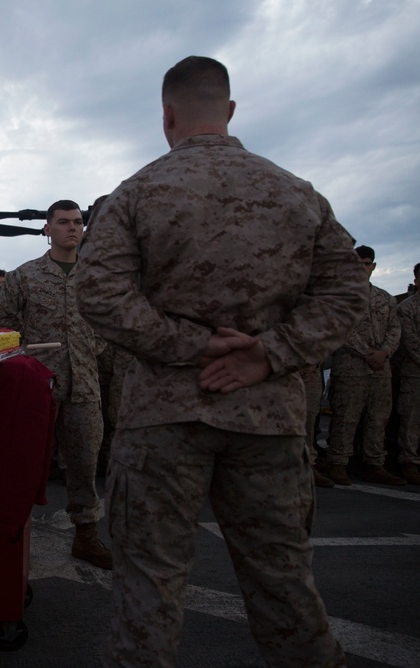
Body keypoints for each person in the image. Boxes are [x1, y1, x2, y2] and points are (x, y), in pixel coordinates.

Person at [76, 56, 367, 666]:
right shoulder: (297, 194)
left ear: (167, 115)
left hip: (163, 419)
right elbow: (348, 294)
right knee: (283, 582)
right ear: (231, 111)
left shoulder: (138, 192)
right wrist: (268, 354)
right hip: (269, 421)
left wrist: (192, 346)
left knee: (148, 590)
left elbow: (99, 295)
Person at [0, 200, 111, 569]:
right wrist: (28, 357)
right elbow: (2, 324)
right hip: (37, 386)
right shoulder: (24, 276)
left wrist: (90, 349)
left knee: (84, 463)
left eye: (77, 222)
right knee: (24, 461)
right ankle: (10, 533)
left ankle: (86, 535)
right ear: (47, 229)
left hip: (85, 385)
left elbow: (110, 323)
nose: (72, 228)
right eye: (63, 222)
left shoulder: (98, 276)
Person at [324, 246, 404, 486]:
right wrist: (367, 353)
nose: (363, 268)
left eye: (367, 263)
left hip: (380, 369)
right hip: (351, 368)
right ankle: (337, 463)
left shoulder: (385, 298)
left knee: (378, 418)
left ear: (373, 267)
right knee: (346, 417)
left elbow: (395, 328)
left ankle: (374, 464)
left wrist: (384, 353)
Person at [396, 262, 420, 484]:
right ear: (416, 280)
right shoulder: (408, 308)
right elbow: (410, 341)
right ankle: (408, 462)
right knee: (411, 419)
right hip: (414, 374)